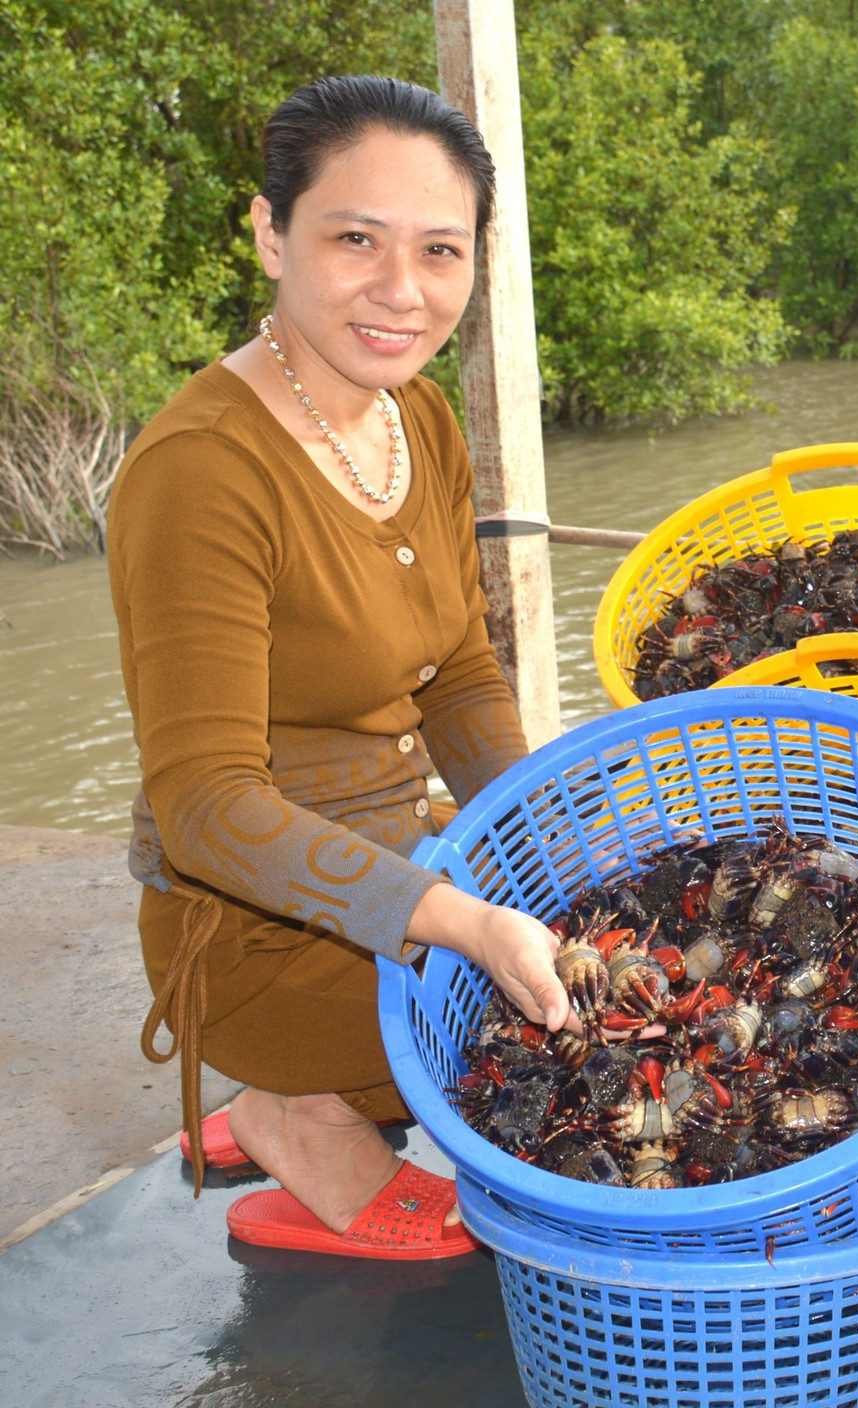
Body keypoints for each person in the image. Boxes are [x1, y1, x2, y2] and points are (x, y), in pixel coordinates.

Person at [107, 75, 572, 1260]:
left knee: (603, 934)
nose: (401, 292)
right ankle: (286, 1102)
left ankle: (339, 1087)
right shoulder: (201, 473)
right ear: (270, 233)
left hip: (404, 859)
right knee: (580, 1043)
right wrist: (463, 921)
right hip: (257, 928)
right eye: (354, 239)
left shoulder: (419, 418)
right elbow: (204, 810)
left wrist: (552, 843)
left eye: (440, 250)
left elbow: (461, 670)